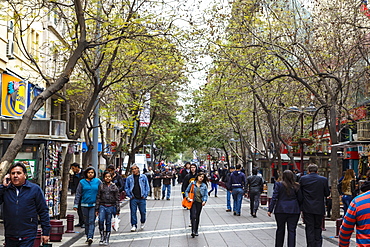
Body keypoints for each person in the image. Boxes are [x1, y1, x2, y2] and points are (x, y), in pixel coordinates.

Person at [0, 162, 50, 247]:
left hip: (28, 235)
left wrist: (46, 232)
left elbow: (43, 211)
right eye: (13, 173)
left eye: (19, 173)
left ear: (25, 175)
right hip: (10, 235)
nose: (15, 176)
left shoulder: (34, 189)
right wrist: (3, 186)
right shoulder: (6, 190)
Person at [267, 170, 302, 247]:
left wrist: (270, 209)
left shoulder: (279, 185)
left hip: (280, 209)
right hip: (294, 209)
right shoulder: (296, 186)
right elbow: (300, 198)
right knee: (292, 230)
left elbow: (274, 197)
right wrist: (300, 208)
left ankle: (279, 245)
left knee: (280, 229)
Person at [299, 164, 330, 247]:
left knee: (309, 227)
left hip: (307, 207)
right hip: (319, 207)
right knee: (318, 227)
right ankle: (318, 244)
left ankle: (310, 244)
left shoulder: (303, 179)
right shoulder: (323, 180)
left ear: (308, 171)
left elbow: (300, 193)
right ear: (317, 171)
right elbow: (327, 193)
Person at [73, 167, 102, 245]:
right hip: (84, 204)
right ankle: (87, 235)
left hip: (94, 205)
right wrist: (75, 204)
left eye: (92, 172)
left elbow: (101, 192)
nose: (90, 174)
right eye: (89, 172)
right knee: (86, 222)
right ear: (86, 173)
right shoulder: (82, 182)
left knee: (91, 221)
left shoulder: (98, 181)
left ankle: (90, 237)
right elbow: (78, 193)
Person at [95, 171, 120, 245]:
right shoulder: (101, 186)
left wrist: (117, 209)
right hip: (102, 205)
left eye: (109, 177)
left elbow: (117, 198)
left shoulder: (114, 187)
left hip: (111, 206)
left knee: (108, 222)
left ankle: (107, 238)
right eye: (106, 177)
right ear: (104, 178)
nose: (107, 178)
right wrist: (97, 208)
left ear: (111, 177)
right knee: (101, 220)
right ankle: (102, 235)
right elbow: (98, 197)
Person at [125, 164, 150, 232]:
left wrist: (145, 195)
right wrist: (130, 195)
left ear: (138, 169)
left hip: (142, 198)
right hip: (133, 198)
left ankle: (142, 222)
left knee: (143, 212)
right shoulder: (129, 178)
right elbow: (126, 187)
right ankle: (134, 225)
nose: (134, 170)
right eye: (132, 169)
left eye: (135, 168)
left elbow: (147, 186)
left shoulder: (143, 177)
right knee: (133, 212)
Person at [185, 172, 208, 238]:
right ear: (197, 177)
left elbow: (205, 194)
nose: (201, 178)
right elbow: (187, 191)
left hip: (199, 202)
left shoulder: (204, 185)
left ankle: (196, 230)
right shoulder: (192, 183)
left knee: (197, 216)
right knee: (193, 216)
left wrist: (204, 200)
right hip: (192, 202)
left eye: (202, 177)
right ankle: (193, 231)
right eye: (200, 176)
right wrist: (187, 197)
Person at [69, 163, 85, 228]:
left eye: (73, 168)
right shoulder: (74, 175)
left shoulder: (83, 173)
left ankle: (84, 222)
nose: (72, 170)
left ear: (77, 167)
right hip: (78, 192)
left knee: (83, 208)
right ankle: (80, 222)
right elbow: (72, 183)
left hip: (84, 193)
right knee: (78, 208)